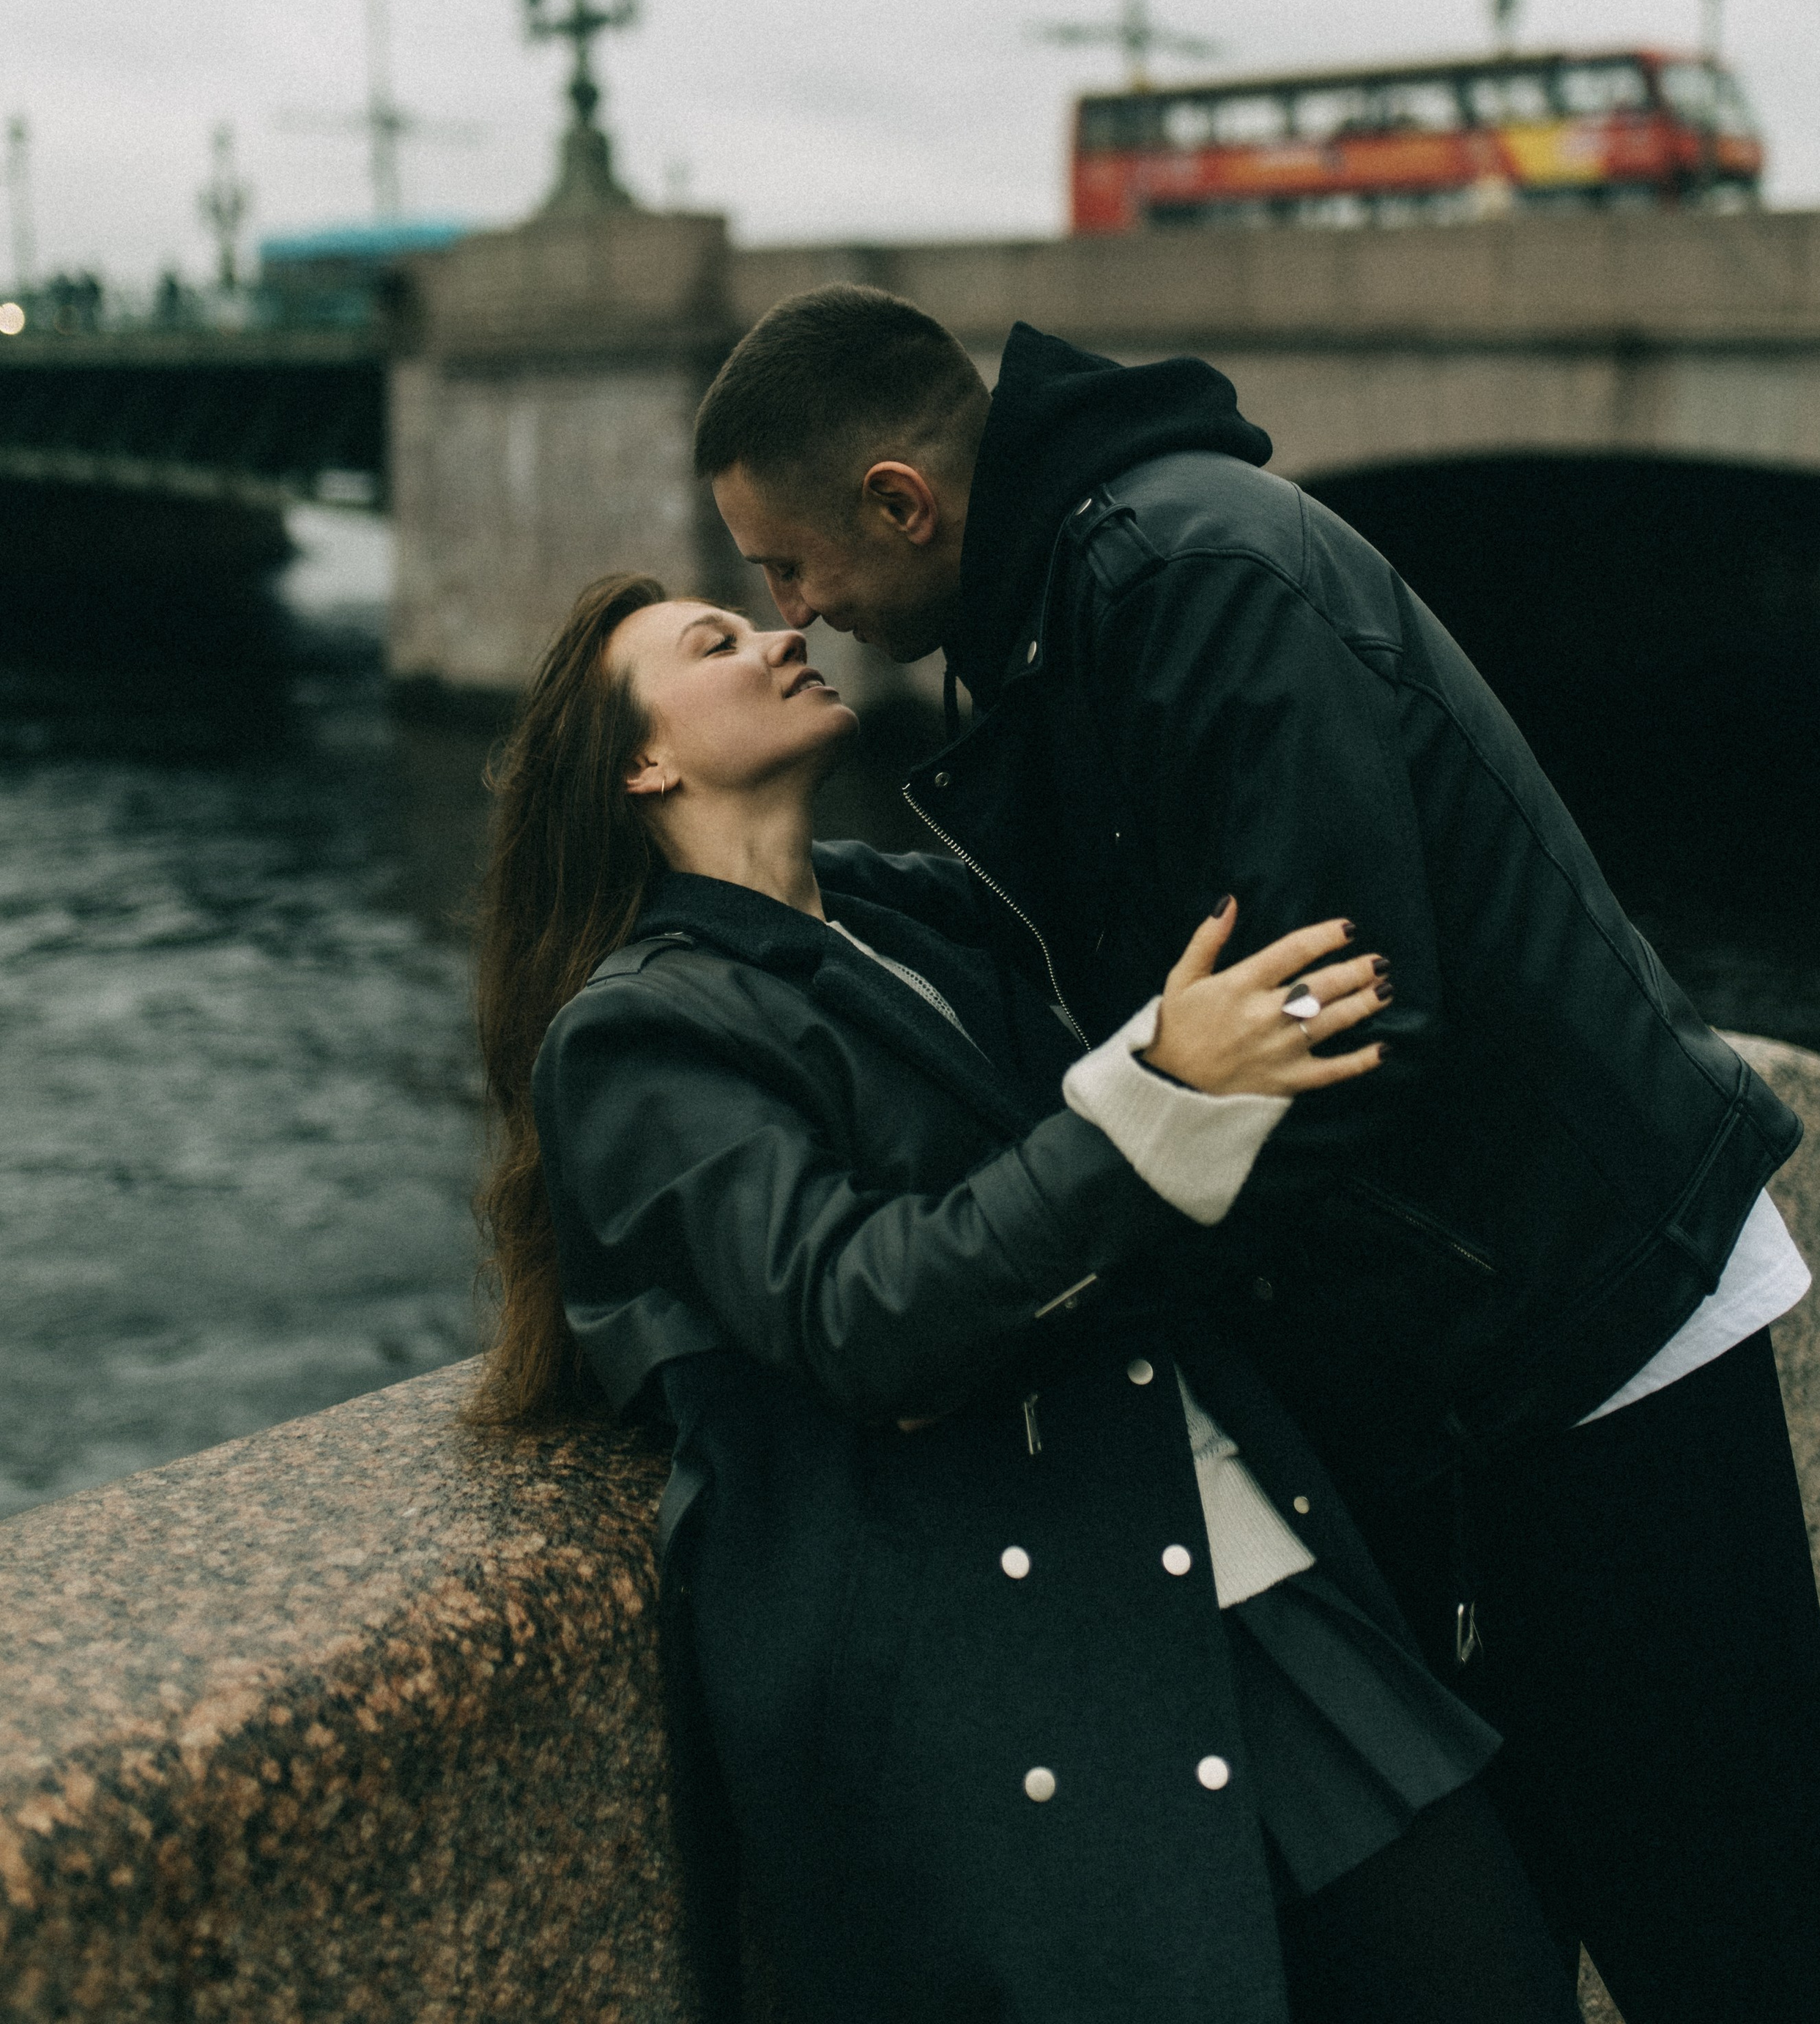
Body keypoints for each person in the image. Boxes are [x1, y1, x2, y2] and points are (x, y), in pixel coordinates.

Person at [694, 284, 1820, 2024]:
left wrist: (1073, 1270)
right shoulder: (1077, 602)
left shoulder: (1179, 577)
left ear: (898, 497)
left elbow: (1337, 1026)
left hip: (1581, 1318)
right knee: (1606, 1886)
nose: (794, 613)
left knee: (1737, 1917)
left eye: (790, 566)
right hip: (1490, 1326)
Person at [472, 570, 1583, 2024]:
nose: (779, 634)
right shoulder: (631, 1038)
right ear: (641, 762)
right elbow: (862, 1314)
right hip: (1047, 1668)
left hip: (1237, 1549)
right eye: (716, 643)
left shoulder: (909, 914)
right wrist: (1159, 1093)